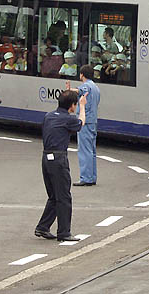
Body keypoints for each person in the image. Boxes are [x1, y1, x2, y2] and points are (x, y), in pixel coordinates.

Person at [35, 89, 87, 242]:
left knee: (53, 196)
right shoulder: (68, 119)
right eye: (76, 104)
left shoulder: (49, 116)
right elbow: (80, 123)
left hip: (46, 157)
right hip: (58, 158)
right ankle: (64, 232)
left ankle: (43, 227)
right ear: (72, 106)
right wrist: (83, 107)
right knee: (64, 197)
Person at [70, 65, 100, 186]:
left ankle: (86, 177)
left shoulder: (86, 86)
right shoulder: (96, 87)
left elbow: (81, 90)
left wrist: (71, 90)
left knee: (84, 150)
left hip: (85, 122)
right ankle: (92, 176)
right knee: (91, 150)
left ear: (82, 74)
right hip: (93, 121)